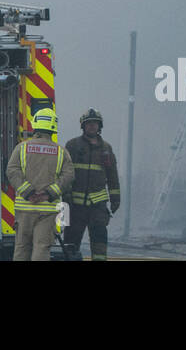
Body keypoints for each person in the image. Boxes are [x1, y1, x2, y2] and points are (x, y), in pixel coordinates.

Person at [6, 107, 74, 261]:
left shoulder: (21, 148)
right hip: (48, 210)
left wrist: (28, 193)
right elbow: (69, 175)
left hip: (24, 209)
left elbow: (12, 171)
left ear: (35, 124)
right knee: (41, 248)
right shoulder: (61, 152)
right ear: (53, 126)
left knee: (22, 247)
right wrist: (48, 193)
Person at [63, 108, 120, 261]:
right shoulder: (72, 145)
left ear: (99, 126)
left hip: (98, 207)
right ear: (83, 126)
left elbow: (112, 176)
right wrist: (65, 198)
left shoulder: (106, 149)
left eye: (95, 124)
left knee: (100, 242)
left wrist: (115, 199)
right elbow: (64, 173)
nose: (92, 126)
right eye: (89, 124)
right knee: (70, 244)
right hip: (75, 206)